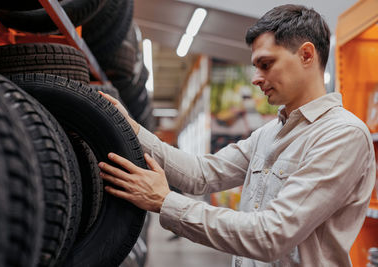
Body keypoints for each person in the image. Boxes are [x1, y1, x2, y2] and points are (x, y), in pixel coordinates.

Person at [98, 4, 376, 266]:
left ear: (306, 55)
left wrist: (166, 202)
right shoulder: (269, 133)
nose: (255, 77)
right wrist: (130, 127)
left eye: (265, 64)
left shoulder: (342, 135)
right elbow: (201, 174)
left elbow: (272, 235)